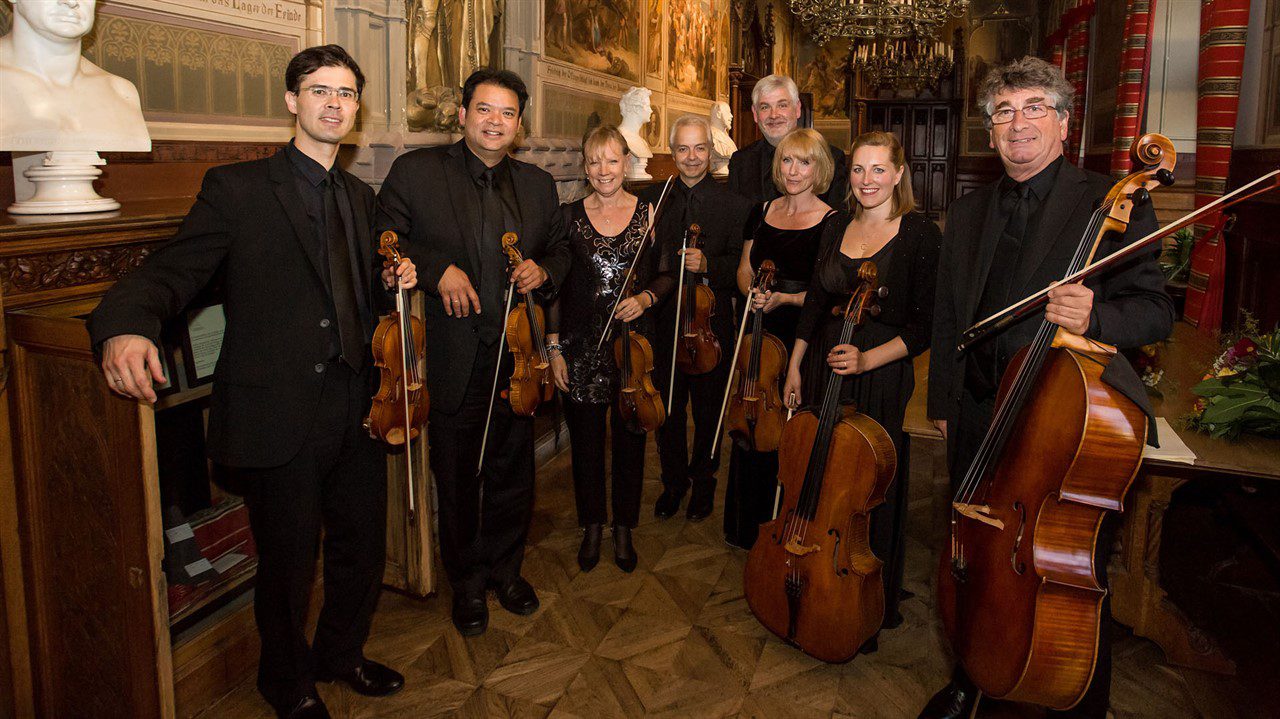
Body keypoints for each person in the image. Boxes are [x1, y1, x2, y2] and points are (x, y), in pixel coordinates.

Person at [89, 46, 414, 719]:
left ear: (357, 109)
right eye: (319, 90)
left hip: (358, 403)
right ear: (292, 101)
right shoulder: (235, 189)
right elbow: (173, 271)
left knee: (359, 550)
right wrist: (124, 323)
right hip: (281, 410)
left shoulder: (360, 195)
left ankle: (341, 654)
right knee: (290, 564)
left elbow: (352, 291)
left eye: (347, 93)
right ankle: (286, 681)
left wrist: (392, 281)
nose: (334, 102)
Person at [922, 56, 1174, 719]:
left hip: (1056, 420)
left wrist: (1097, 315)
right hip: (978, 411)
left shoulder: (1110, 202)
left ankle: (1075, 700)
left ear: (1064, 124)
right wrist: (943, 404)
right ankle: (970, 676)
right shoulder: (970, 209)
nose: (1018, 123)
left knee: (1066, 566)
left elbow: (1155, 312)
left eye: (1035, 106)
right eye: (1003, 111)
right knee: (973, 556)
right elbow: (950, 316)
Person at [376, 68, 570, 638]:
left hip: (519, 356)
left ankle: (507, 572)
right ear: (462, 115)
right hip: (454, 354)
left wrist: (544, 270)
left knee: (514, 472)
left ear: (519, 125)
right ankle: (466, 583)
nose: (495, 122)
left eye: (507, 114)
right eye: (484, 110)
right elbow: (385, 235)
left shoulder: (537, 184)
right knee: (458, 476)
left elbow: (559, 249)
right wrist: (437, 272)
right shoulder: (416, 172)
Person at [782, 131, 941, 645]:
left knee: (869, 487)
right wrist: (795, 365)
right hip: (826, 362)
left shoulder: (919, 233)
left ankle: (867, 595)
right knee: (818, 472)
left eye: (878, 170)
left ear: (899, 174)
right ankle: (811, 580)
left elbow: (923, 326)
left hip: (881, 371)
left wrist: (867, 358)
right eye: (858, 169)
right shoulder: (834, 225)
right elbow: (812, 304)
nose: (867, 180)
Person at [547, 125, 664, 573]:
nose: (603, 170)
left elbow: (666, 274)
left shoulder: (649, 214)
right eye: (594, 161)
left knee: (631, 438)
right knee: (587, 443)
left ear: (626, 164)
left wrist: (645, 298)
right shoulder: (567, 215)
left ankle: (624, 527)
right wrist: (554, 347)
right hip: (580, 346)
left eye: (611, 160)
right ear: (585, 165)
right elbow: (555, 287)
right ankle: (592, 524)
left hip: (633, 349)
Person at [723, 128, 841, 549]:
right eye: (788, 161)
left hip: (802, 333)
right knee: (751, 417)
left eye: (804, 162)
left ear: (819, 168)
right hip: (759, 328)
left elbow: (830, 293)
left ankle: (787, 523)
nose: (794, 170)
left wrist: (785, 298)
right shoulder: (762, 210)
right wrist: (749, 291)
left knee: (791, 426)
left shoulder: (832, 220)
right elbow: (743, 267)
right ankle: (745, 523)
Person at [642, 114, 749, 522]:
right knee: (666, 409)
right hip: (663, 323)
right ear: (672, 152)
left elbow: (742, 267)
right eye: (683, 149)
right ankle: (674, 483)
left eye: (699, 148)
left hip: (710, 328)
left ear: (711, 150)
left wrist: (710, 265)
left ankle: (704, 480)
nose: (691, 157)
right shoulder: (652, 198)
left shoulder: (735, 205)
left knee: (708, 412)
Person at [726, 74, 848, 210]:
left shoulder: (831, 158)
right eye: (765, 107)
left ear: (797, 109)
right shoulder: (741, 161)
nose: (774, 115)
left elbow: (836, 223)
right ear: (755, 114)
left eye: (782, 105)